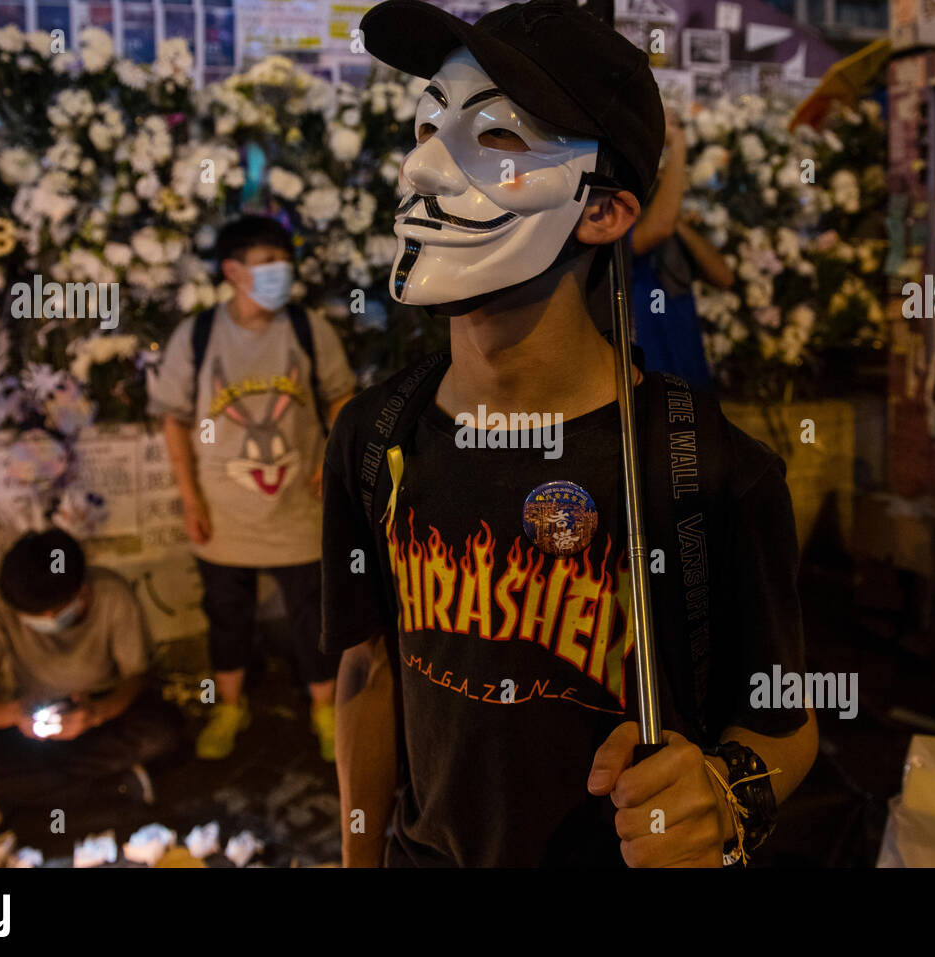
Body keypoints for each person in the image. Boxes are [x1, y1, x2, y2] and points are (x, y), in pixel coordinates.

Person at [323, 0, 818, 868]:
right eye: (429, 123)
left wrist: (725, 793)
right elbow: (369, 668)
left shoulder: (707, 470)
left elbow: (784, 724)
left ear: (603, 212)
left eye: (500, 141)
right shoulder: (372, 436)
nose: (421, 168)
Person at [148, 215, 357, 761]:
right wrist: (190, 500)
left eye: (284, 264)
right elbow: (172, 418)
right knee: (226, 614)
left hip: (300, 509)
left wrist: (332, 456)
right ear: (233, 271)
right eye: (266, 266)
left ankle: (325, 710)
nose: (279, 275)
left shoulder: (310, 330)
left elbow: (341, 396)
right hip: (222, 512)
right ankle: (229, 707)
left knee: (313, 614)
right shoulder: (196, 336)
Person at [0, 529, 180, 806]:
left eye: (58, 612)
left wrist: (97, 713)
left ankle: (24, 791)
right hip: (28, 720)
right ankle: (102, 785)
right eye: (35, 618)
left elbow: (135, 678)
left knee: (161, 731)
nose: (50, 621)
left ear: (82, 589)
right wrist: (15, 714)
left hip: (97, 715)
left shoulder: (112, 593)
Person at [630, 112, 734, 389]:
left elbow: (724, 277)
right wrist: (678, 143)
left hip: (686, 363)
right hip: (647, 367)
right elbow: (656, 229)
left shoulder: (674, 227)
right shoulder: (620, 226)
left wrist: (680, 224)